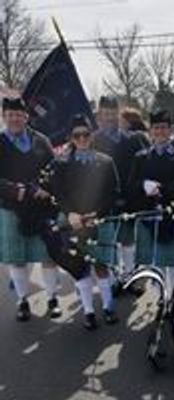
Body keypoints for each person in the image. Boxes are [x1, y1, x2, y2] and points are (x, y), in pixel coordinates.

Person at [50, 114, 120, 330]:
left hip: (99, 219)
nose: (81, 139)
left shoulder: (106, 162)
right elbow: (58, 193)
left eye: (85, 134)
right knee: (80, 266)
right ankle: (89, 311)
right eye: (76, 135)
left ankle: (108, 306)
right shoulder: (60, 163)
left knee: (101, 265)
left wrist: (96, 214)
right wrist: (71, 213)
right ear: (71, 137)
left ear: (92, 135)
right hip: (74, 221)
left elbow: (114, 191)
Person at [0, 97, 62, 321]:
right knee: (17, 258)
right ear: (4, 116)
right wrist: (12, 190)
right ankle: (22, 300)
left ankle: (53, 298)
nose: (14, 118)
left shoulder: (41, 140)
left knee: (48, 255)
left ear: (26, 117)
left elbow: (54, 169)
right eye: (9, 114)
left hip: (40, 207)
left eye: (18, 114)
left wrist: (45, 188)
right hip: (10, 208)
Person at [94, 97, 150, 276]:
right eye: (105, 114)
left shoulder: (133, 139)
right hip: (102, 199)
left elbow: (144, 165)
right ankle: (114, 279)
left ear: (118, 114)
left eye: (112, 113)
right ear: (99, 115)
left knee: (128, 240)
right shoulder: (92, 140)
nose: (109, 118)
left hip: (129, 197)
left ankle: (130, 276)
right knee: (109, 241)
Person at [127, 109, 174, 242]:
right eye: (156, 128)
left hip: (173, 219)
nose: (160, 131)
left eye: (164, 127)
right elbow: (130, 188)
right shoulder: (141, 157)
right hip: (145, 219)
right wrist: (143, 184)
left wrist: (162, 189)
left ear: (170, 130)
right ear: (150, 131)